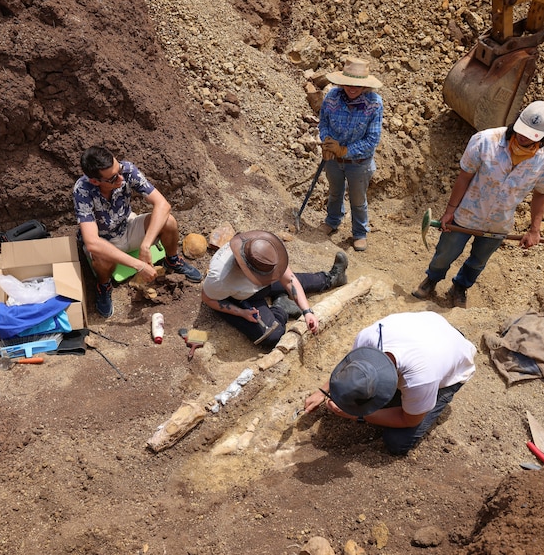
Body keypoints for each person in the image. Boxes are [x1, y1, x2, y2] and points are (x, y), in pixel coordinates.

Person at [412, 100, 544, 308]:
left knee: (478, 262)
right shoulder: (486, 140)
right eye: (522, 129)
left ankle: (460, 287)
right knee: (445, 253)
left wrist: (535, 230)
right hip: (467, 213)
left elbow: (542, 193)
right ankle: (432, 279)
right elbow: (464, 176)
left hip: (499, 223)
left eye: (532, 134)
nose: (524, 136)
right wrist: (450, 211)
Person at [303, 311, 476, 455]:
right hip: (432, 328)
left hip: (456, 358)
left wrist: (358, 415)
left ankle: (436, 395)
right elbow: (351, 364)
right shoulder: (367, 338)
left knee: (397, 442)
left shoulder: (420, 378)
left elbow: (409, 420)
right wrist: (324, 390)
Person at [74, 146, 202, 318]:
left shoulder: (126, 170)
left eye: (118, 169)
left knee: (169, 221)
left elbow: (163, 205)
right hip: (105, 240)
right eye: (113, 178)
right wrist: (139, 265)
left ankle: (171, 260)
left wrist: (146, 245)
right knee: (99, 255)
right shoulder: (83, 190)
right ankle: (103, 285)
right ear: (95, 181)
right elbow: (92, 242)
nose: (121, 178)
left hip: (128, 225)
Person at [201, 230, 348, 349]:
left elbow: (289, 280)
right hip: (236, 297)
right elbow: (208, 299)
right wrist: (241, 312)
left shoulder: (262, 248)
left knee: (290, 281)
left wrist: (307, 312)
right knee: (272, 335)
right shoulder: (220, 278)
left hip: (254, 289)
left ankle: (331, 278)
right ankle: (281, 308)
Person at [318, 57, 384, 252]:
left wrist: (345, 150)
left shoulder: (375, 104)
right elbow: (323, 123)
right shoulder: (332, 97)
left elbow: (372, 140)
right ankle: (332, 221)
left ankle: (360, 233)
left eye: (357, 84)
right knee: (335, 191)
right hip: (333, 159)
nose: (352, 88)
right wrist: (328, 143)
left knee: (358, 199)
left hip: (359, 162)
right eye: (348, 83)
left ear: (365, 85)